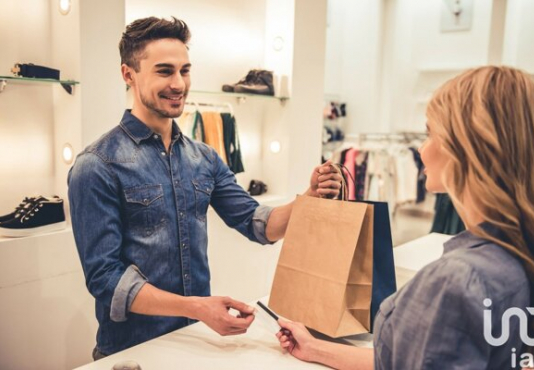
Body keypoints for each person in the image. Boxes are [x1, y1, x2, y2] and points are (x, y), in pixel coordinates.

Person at [67, 16, 342, 359]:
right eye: (164, 71)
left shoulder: (203, 158)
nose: (179, 83)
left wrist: (310, 198)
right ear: (128, 74)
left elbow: (257, 223)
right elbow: (106, 280)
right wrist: (198, 307)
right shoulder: (97, 165)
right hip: (131, 351)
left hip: (197, 342)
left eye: (185, 70)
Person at [276, 66, 534, 369]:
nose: (421, 148)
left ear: (467, 148)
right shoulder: (522, 251)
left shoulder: (458, 281)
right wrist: (316, 349)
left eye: (430, 133)